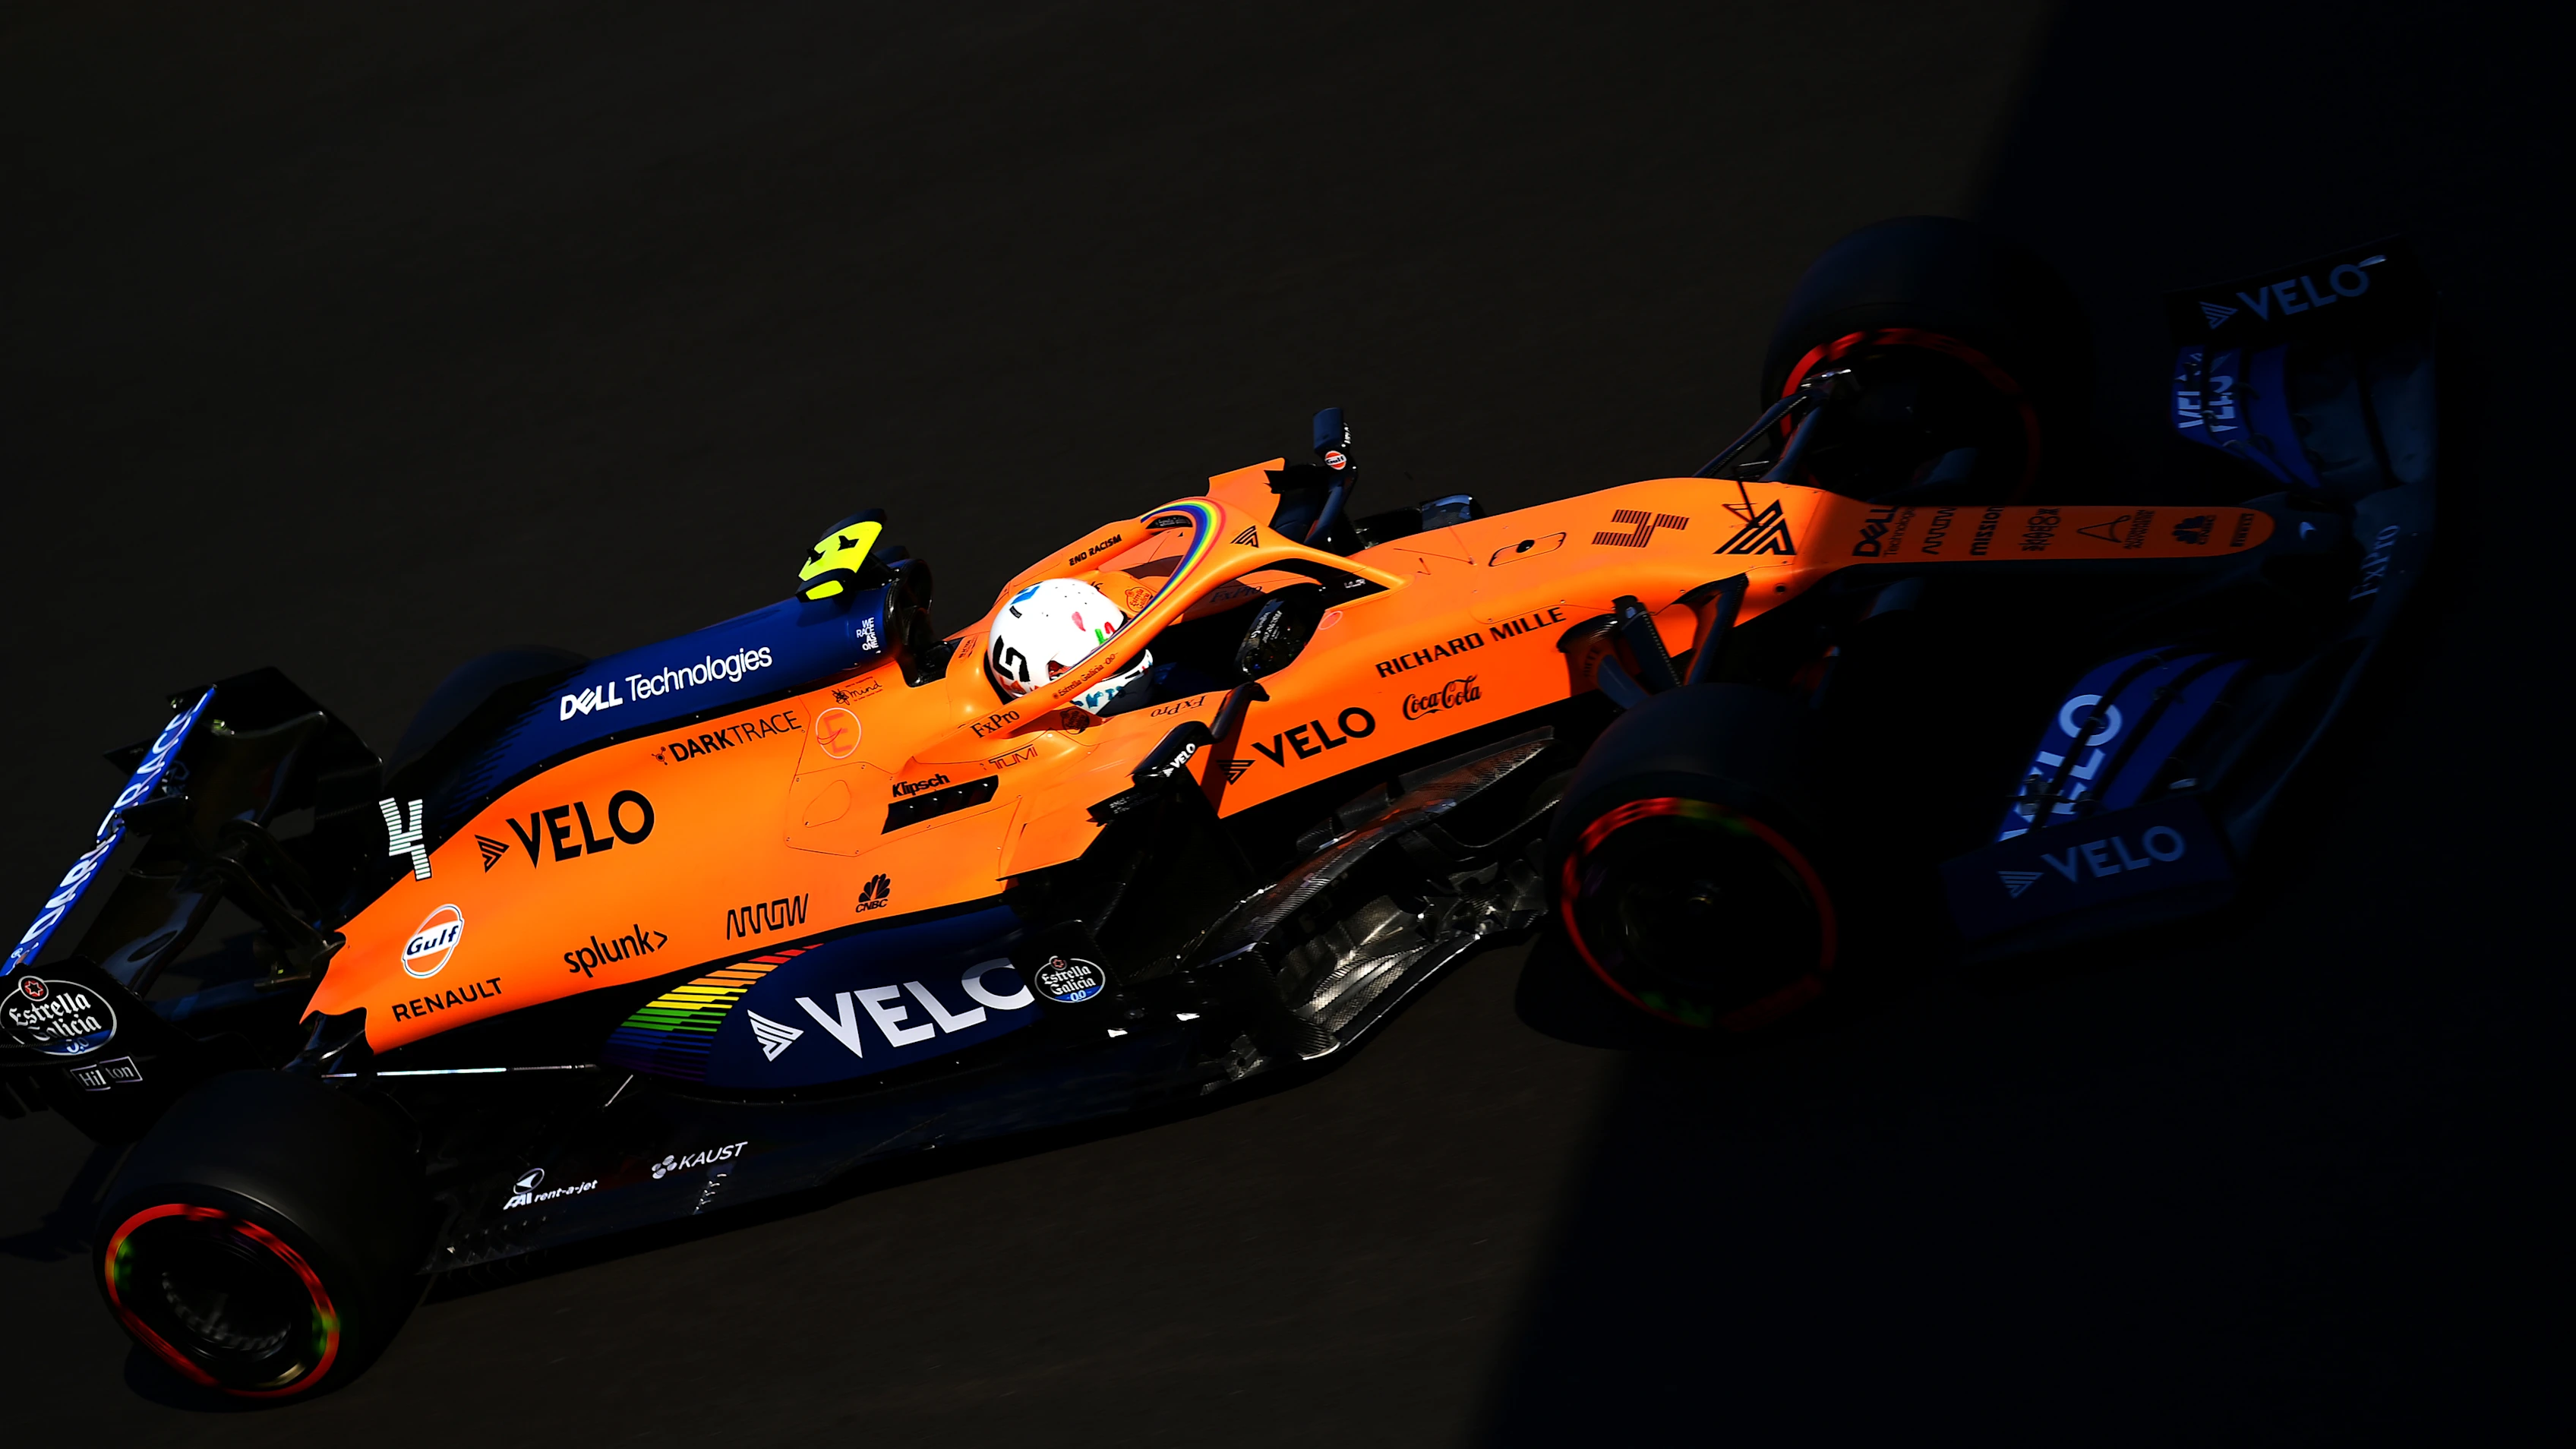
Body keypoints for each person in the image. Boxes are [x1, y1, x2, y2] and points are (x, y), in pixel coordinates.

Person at [985, 576, 1229, 718]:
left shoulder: (1183, 681)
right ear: (1050, 675)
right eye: (1102, 658)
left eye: (1124, 636)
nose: (1123, 654)